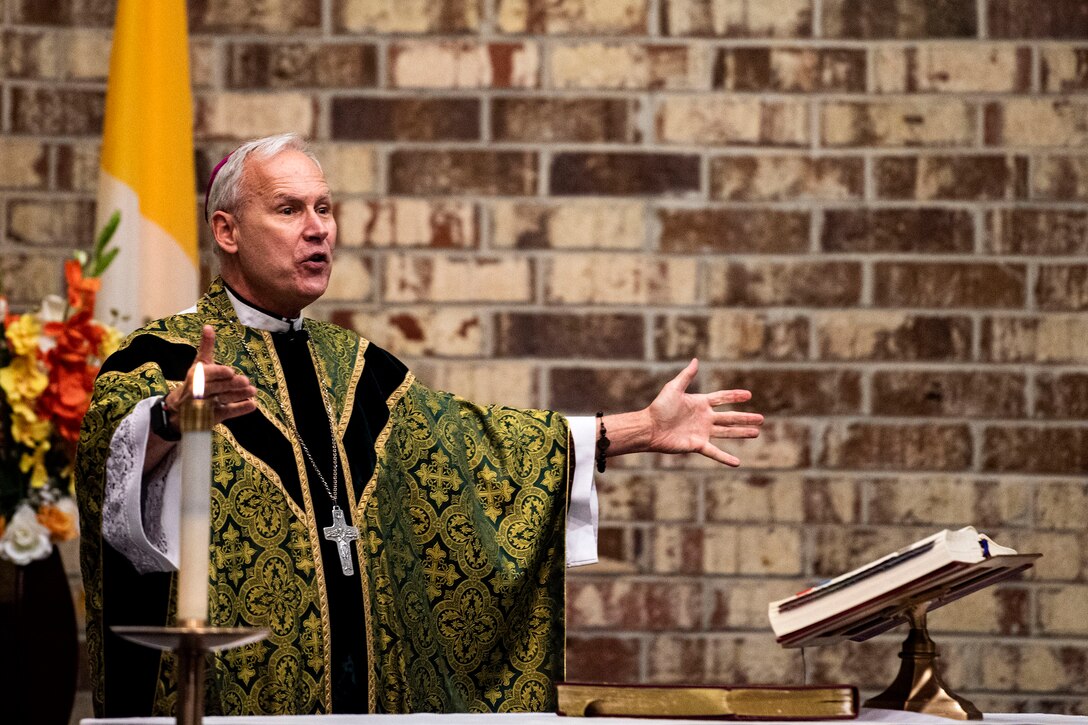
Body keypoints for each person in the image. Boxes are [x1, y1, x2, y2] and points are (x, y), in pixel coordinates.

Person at [76, 134, 764, 717]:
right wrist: (170, 415)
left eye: (324, 208)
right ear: (226, 231)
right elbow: (108, 451)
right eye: (288, 209)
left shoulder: (360, 371)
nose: (318, 228)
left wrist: (643, 425)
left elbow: (485, 450)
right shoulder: (161, 357)